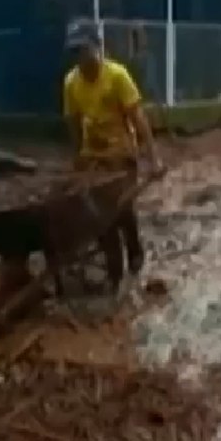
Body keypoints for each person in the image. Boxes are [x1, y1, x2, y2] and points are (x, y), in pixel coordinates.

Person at [62, 22, 163, 286]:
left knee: (120, 209)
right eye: (74, 52)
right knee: (98, 216)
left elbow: (138, 118)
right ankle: (115, 271)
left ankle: (135, 251)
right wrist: (77, 161)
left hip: (121, 155)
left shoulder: (117, 76)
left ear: (97, 47)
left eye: (83, 50)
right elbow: (73, 123)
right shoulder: (71, 82)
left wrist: (153, 158)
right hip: (93, 158)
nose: (80, 57)